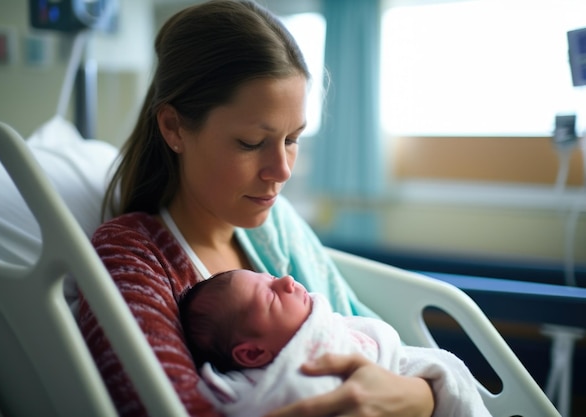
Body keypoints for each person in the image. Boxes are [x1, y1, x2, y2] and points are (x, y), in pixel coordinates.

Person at [76, 1, 436, 416]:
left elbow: (374, 344)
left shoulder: (276, 227)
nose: (281, 171)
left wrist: (422, 395)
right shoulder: (134, 254)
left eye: (293, 139)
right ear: (174, 127)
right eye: (251, 143)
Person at [178, 269, 492, 417]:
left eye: (270, 276)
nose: (286, 280)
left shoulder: (330, 324)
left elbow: (402, 358)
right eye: (270, 295)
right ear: (253, 352)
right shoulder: (264, 388)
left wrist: (426, 394)